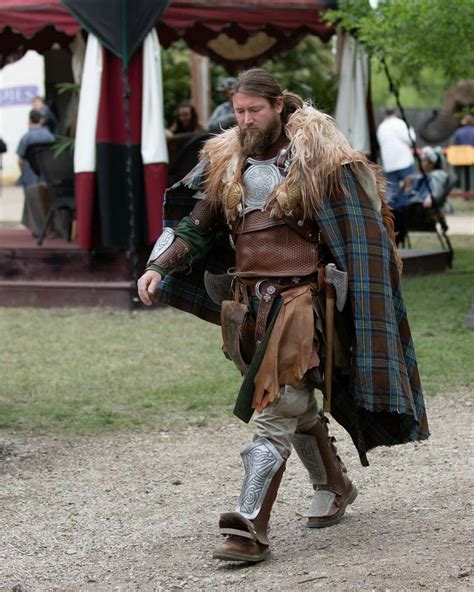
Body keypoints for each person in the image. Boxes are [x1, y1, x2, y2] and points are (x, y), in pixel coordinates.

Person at [138, 69, 429, 564]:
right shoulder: (226, 160)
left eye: (255, 110)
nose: (246, 120)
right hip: (248, 306)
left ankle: (250, 525)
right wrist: (157, 266)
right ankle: (334, 484)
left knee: (276, 403)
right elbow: (198, 224)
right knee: (293, 402)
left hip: (303, 302)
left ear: (278, 106)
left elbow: (360, 238)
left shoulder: (321, 159)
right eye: (239, 112)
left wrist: (347, 301)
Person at [16, 109, 56, 236]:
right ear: (42, 120)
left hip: (31, 175)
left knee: (31, 201)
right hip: (48, 174)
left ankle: (37, 229)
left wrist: (23, 173)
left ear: (29, 120)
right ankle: (50, 228)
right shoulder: (51, 136)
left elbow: (20, 160)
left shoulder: (26, 137)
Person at [377, 108, 416, 198]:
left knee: (391, 192)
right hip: (404, 162)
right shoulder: (401, 124)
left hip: (389, 164)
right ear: (395, 112)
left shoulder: (381, 127)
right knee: (408, 188)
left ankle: (391, 210)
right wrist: (412, 131)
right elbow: (411, 140)